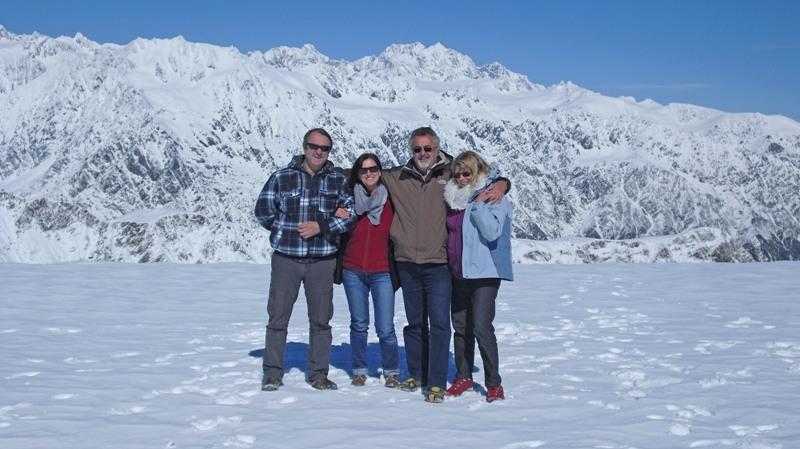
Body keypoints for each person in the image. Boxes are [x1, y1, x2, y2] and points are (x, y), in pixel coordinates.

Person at [381, 127, 509, 403]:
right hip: (411, 262)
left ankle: (439, 381)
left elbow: (482, 172)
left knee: (443, 324)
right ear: (410, 150)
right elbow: (361, 173)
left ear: (437, 149)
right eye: (417, 149)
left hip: (441, 263)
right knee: (416, 323)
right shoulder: (396, 176)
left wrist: (502, 184)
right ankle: (418, 373)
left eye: (428, 148)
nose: (423, 153)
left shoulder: (450, 172)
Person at [254, 127, 356, 392]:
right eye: (314, 146)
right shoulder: (282, 178)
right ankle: (273, 373)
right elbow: (264, 212)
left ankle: (318, 374)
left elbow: (351, 215)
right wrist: (285, 230)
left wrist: (322, 226)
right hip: (286, 259)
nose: (318, 152)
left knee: (321, 320)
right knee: (278, 317)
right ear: (304, 147)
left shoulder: (337, 181)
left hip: (322, 261)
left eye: (324, 148)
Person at [443, 151, 513, 403]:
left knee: (482, 327)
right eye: (457, 173)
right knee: (461, 328)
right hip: (458, 271)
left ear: (477, 172)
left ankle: (494, 383)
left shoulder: (494, 196)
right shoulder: (452, 197)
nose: (461, 178)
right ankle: (463, 375)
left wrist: (480, 204)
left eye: (467, 173)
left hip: (484, 273)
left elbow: (493, 232)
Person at [336, 153, 401, 388]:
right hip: (353, 270)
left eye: (373, 169)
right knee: (359, 324)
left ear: (381, 171)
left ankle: (392, 370)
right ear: (358, 173)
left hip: (383, 271)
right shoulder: (348, 197)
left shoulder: (391, 197)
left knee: (385, 327)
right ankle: (360, 369)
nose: (369, 173)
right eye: (363, 170)